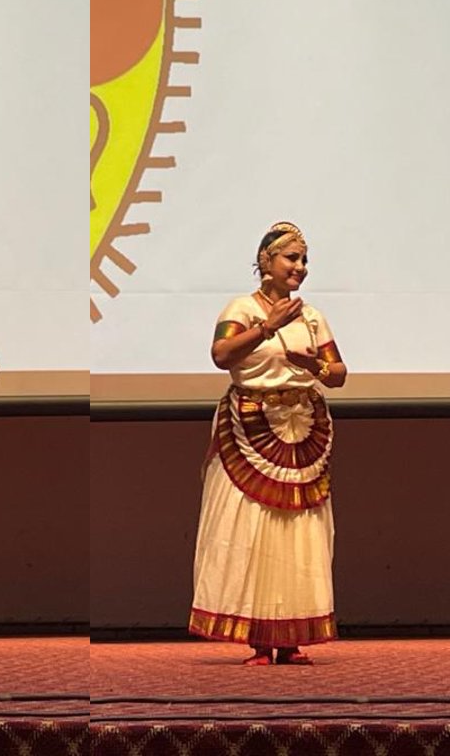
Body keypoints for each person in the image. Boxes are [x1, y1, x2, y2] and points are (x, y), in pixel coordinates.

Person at [189, 221, 347, 665]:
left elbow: (338, 374)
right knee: (253, 527)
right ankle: (259, 639)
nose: (300, 267)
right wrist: (266, 328)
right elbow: (221, 355)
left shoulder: (311, 317)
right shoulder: (241, 308)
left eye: (304, 260)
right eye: (291, 258)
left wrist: (313, 365)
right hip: (251, 426)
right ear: (265, 261)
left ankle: (291, 638)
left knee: (299, 531)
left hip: (302, 429)